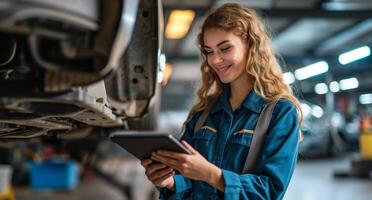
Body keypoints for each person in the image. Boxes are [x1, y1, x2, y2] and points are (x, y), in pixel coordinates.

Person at [141, 3, 302, 199]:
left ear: (251, 46)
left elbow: (269, 191)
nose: (215, 60)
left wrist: (211, 174)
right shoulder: (203, 113)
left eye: (225, 48)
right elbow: (187, 181)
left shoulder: (280, 112)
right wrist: (170, 182)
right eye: (209, 51)